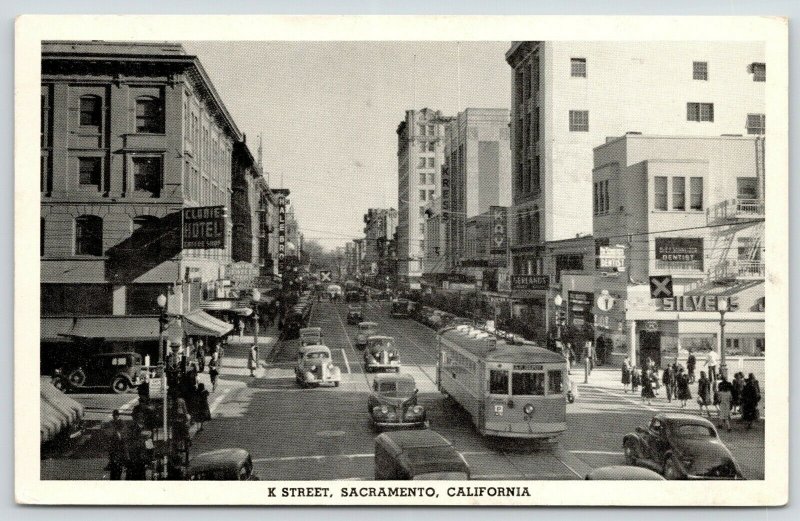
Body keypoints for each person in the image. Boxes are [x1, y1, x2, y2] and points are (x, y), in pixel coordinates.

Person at [106, 409, 129, 480]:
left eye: (115, 415)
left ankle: (121, 464)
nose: (114, 417)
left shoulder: (121, 422)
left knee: (119, 454)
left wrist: (118, 434)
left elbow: (123, 431)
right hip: (114, 441)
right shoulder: (112, 422)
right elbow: (109, 431)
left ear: (117, 415)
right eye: (114, 416)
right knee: (113, 455)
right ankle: (113, 463)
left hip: (119, 441)